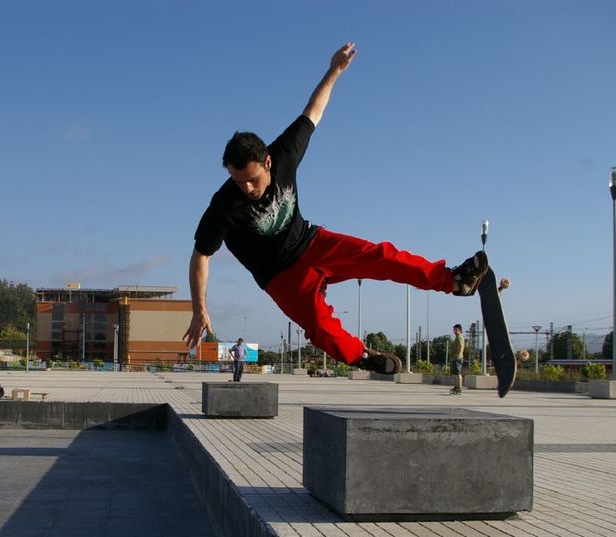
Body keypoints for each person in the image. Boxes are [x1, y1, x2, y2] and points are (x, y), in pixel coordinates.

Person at [183, 42, 490, 375]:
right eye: (238, 181)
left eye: (253, 180)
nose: (248, 189)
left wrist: (334, 70)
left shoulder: (284, 153)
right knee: (319, 322)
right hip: (280, 275)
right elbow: (201, 256)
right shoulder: (224, 205)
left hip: (312, 242)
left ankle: (452, 280)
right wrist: (200, 308)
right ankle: (360, 356)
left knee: (381, 255)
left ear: (267, 161)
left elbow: (312, 112)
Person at [450, 324, 465, 395]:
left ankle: (459, 388)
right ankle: (456, 387)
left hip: (458, 358)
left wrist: (459, 355)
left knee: (458, 373)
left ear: (460, 330)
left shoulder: (459, 337)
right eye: (454, 330)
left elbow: (461, 346)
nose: (455, 331)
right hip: (455, 357)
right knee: (456, 373)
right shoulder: (457, 337)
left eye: (456, 330)